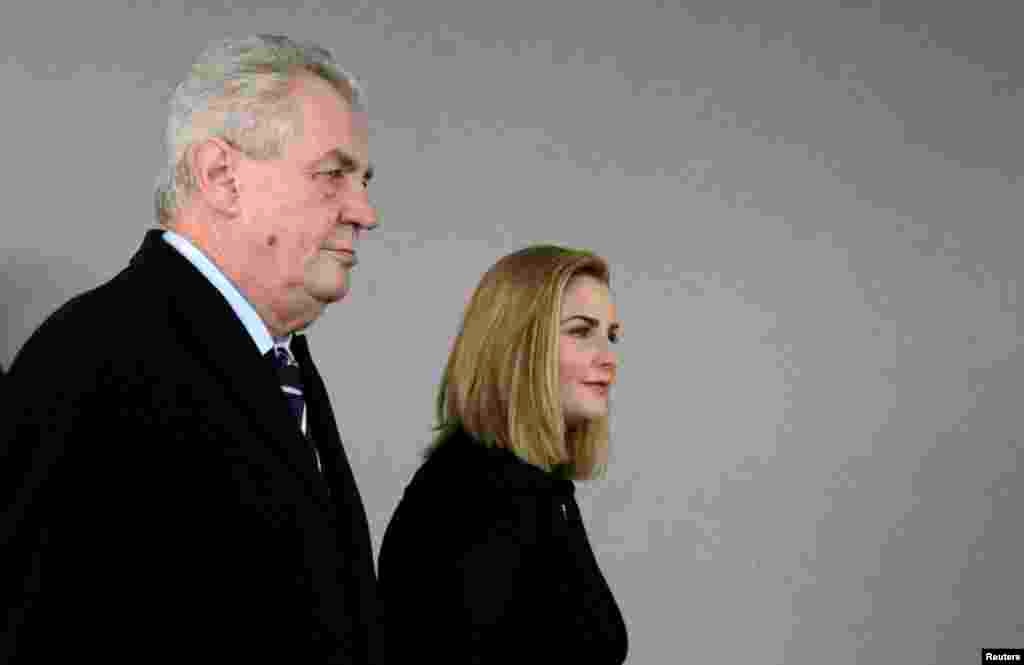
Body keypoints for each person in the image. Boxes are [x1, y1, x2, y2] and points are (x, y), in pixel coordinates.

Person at [2, 35, 380, 663]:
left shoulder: (279, 363)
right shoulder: (94, 363)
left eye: (363, 180)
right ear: (220, 177)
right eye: (333, 174)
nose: (365, 211)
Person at [377, 245, 629, 664]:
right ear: (519, 345)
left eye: (612, 336)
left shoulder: (536, 487)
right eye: (581, 331)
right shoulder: (474, 497)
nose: (608, 358)